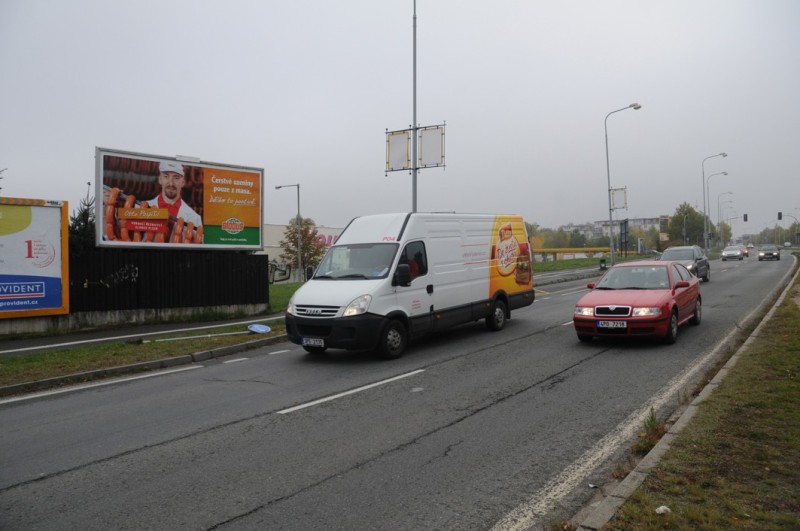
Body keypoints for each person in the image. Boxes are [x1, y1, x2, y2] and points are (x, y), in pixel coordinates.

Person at [149, 161, 203, 242]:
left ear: (183, 182)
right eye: (166, 176)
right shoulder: (141, 208)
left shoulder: (194, 218)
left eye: (176, 178)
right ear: (160, 179)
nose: (171, 183)